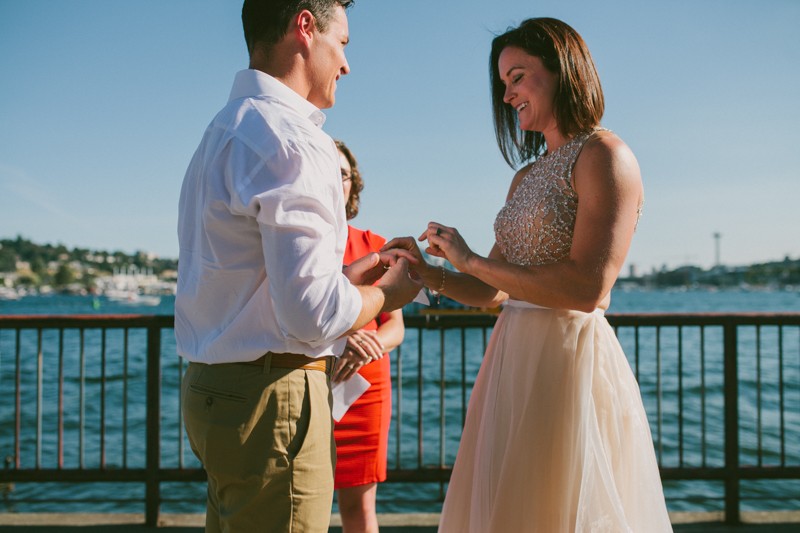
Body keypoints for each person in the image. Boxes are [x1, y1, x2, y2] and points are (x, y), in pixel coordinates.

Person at [383, 17, 672, 533]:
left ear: (562, 70)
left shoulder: (605, 155)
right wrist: (431, 272)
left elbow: (588, 288)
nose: (508, 93)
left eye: (517, 76)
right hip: (510, 359)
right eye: (503, 83)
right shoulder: (526, 176)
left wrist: (470, 259)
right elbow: (493, 289)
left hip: (567, 363)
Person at [175, 2, 422, 532]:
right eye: (345, 44)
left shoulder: (222, 132)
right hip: (273, 403)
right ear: (305, 28)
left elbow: (255, 284)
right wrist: (390, 295)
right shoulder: (293, 138)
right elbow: (309, 314)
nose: (347, 65)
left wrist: (352, 278)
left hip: (213, 390)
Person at [331, 140, 404, 533]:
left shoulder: (374, 246)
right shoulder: (297, 244)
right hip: (307, 380)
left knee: (359, 513)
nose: (334, 181)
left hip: (364, 391)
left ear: (352, 184)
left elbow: (396, 327)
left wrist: (368, 346)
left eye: (341, 174)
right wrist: (341, 340)